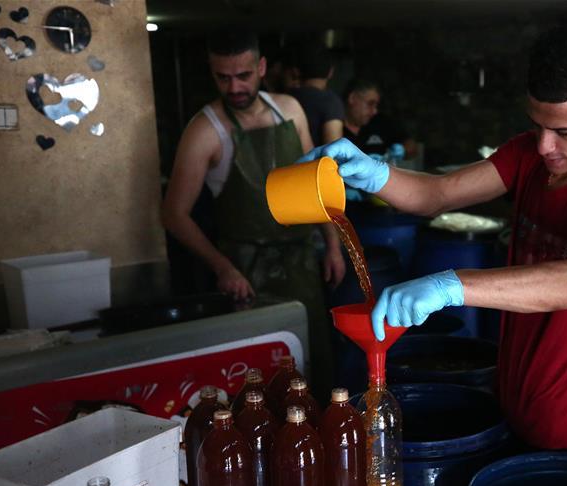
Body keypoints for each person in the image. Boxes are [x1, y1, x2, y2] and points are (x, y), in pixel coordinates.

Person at [302, 26, 567, 450]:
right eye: (536, 125)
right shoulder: (528, 155)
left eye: (563, 132)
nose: (545, 146)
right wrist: (374, 173)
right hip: (507, 404)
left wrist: (451, 285)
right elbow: (437, 193)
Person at [161, 27, 344, 398]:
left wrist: (333, 246)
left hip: (301, 263)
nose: (234, 88)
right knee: (258, 382)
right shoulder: (204, 131)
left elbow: (315, 183)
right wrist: (223, 268)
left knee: (310, 370)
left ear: (261, 67)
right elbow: (174, 214)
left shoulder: (289, 110)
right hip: (245, 272)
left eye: (243, 75)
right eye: (223, 78)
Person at [342, 78, 416, 158]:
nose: (374, 111)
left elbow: (412, 147)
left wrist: (403, 150)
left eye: (376, 105)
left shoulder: (381, 122)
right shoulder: (335, 126)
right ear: (352, 98)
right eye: (370, 104)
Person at [288, 43, 346, 146]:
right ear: (331, 72)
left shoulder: (285, 99)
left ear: (296, 72)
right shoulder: (331, 102)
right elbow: (334, 151)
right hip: (314, 161)